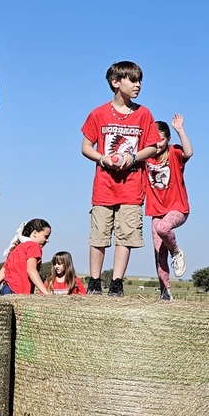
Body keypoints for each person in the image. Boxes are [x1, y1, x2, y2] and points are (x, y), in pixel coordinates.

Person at [80, 61, 165, 296]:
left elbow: (152, 147)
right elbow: (86, 146)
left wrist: (134, 157)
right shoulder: (98, 113)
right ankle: (95, 281)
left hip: (132, 187)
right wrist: (102, 159)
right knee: (99, 234)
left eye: (140, 81)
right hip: (104, 186)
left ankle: (117, 282)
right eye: (133, 80)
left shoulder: (144, 114)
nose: (138, 85)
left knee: (126, 234)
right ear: (116, 82)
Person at [145, 114, 194, 301]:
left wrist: (180, 129)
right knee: (158, 253)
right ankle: (165, 292)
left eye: (161, 140)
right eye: (154, 140)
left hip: (178, 208)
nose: (157, 144)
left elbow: (188, 152)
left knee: (163, 228)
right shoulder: (147, 158)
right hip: (156, 210)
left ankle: (177, 252)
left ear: (167, 140)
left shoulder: (174, 153)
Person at [0, 219, 52, 295]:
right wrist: (46, 293)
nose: (47, 240)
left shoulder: (15, 249)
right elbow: (31, 270)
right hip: (18, 293)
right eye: (46, 236)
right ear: (35, 233)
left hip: (6, 289)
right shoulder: (33, 246)